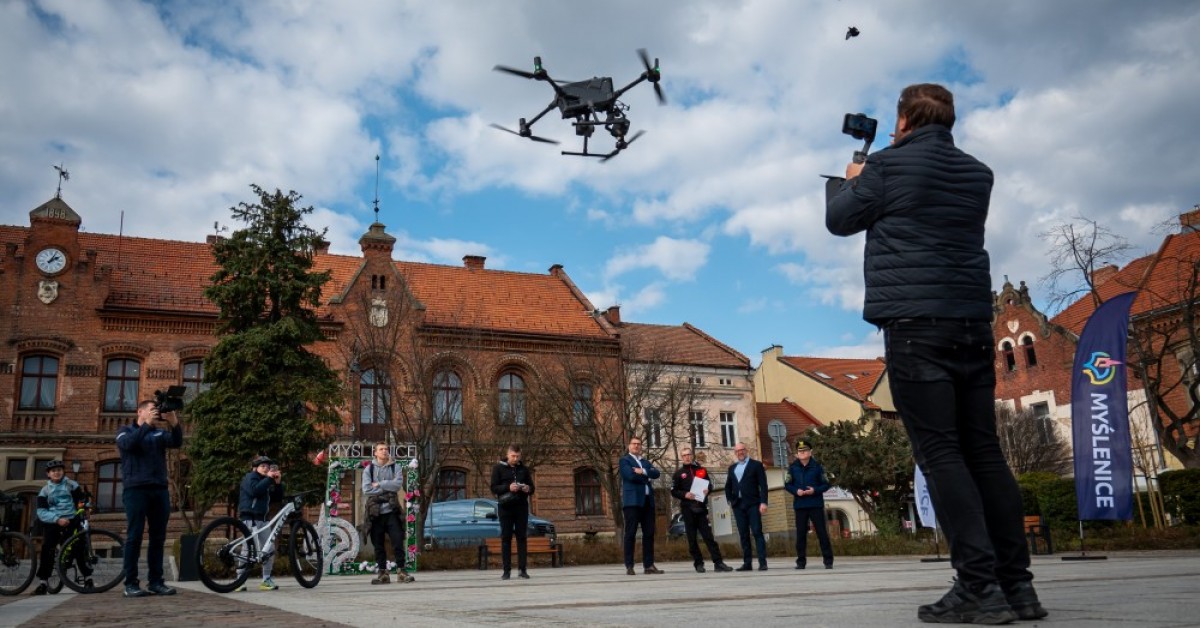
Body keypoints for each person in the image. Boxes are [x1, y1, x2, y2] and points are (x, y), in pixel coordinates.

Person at [827, 83, 1043, 624]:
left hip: (915, 326)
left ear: (904, 120)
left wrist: (851, 177)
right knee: (984, 452)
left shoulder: (885, 167)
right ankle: (1018, 587)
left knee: (941, 453)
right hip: (971, 323)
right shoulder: (977, 173)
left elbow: (839, 220)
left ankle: (978, 588)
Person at [116, 398, 183, 598]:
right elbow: (129, 444)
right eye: (153, 409)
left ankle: (156, 582)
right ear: (140, 411)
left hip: (159, 489)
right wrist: (145, 425)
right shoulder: (125, 431)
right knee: (134, 536)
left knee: (158, 538)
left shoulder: (158, 433)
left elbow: (176, 442)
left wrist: (174, 422)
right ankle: (130, 583)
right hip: (136, 489)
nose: (156, 412)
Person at [669, 448, 733, 573]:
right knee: (692, 539)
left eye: (689, 454)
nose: (687, 457)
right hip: (688, 509)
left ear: (692, 456)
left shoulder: (701, 470)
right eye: (684, 455)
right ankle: (698, 563)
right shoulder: (678, 474)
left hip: (701, 509)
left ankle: (718, 563)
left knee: (708, 537)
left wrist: (708, 490)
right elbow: (673, 491)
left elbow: (709, 485)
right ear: (682, 457)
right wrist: (685, 494)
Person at [32, 460, 89, 595]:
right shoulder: (44, 491)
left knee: (80, 547)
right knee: (47, 549)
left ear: (63, 472)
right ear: (48, 474)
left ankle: (88, 578)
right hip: (54, 522)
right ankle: (43, 582)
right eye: (53, 471)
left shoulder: (72, 485)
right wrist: (57, 519)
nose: (56, 472)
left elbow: (81, 501)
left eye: (59, 470)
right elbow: (41, 511)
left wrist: (85, 507)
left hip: (72, 520)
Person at [362, 443, 413, 584]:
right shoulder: (369, 469)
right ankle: (383, 573)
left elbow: (397, 485)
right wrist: (388, 487)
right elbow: (367, 490)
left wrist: (380, 484)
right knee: (378, 544)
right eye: (381, 449)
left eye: (386, 449)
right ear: (375, 453)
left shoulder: (395, 467)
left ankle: (401, 572)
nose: (384, 451)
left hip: (392, 511)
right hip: (375, 512)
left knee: (398, 541)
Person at [235, 455, 284, 591]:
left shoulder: (265, 481)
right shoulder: (250, 477)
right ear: (255, 468)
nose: (266, 469)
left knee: (269, 549)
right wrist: (268, 478)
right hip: (249, 518)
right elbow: (254, 491)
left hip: (263, 519)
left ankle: (266, 579)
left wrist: (278, 483)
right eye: (262, 466)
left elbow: (277, 498)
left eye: (268, 467)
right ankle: (239, 580)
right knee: (247, 549)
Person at [783, 439, 833, 570]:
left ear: (810, 452)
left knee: (822, 533)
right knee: (800, 535)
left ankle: (828, 561)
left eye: (805, 451)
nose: (802, 453)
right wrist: (796, 491)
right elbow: (787, 484)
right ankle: (801, 562)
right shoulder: (793, 468)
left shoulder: (818, 467)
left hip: (815, 504)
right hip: (800, 505)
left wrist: (814, 490)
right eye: (800, 451)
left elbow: (826, 484)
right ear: (797, 454)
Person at [490, 444, 535, 580]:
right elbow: (494, 488)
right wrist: (508, 487)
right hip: (505, 507)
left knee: (522, 538)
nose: (515, 459)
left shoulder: (524, 469)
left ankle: (522, 569)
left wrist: (527, 488)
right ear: (508, 454)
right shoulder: (498, 468)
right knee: (506, 538)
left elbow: (532, 488)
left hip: (521, 507)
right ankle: (506, 571)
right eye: (513, 456)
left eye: (517, 456)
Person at [619, 436, 663, 575]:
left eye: (639, 444)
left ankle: (649, 565)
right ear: (629, 446)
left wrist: (642, 471)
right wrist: (647, 476)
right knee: (630, 534)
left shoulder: (645, 462)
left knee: (649, 534)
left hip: (648, 502)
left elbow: (657, 473)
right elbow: (630, 476)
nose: (636, 446)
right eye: (634, 444)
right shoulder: (625, 460)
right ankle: (629, 566)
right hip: (632, 502)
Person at [724, 442, 769, 571]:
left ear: (746, 450)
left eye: (742, 450)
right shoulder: (732, 468)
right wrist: (730, 500)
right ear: (735, 453)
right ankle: (747, 563)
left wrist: (764, 502)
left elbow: (763, 485)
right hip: (738, 505)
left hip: (753, 504)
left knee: (757, 532)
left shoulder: (756, 465)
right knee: (743, 535)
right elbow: (728, 486)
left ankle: (762, 563)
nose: (740, 452)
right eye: (738, 451)